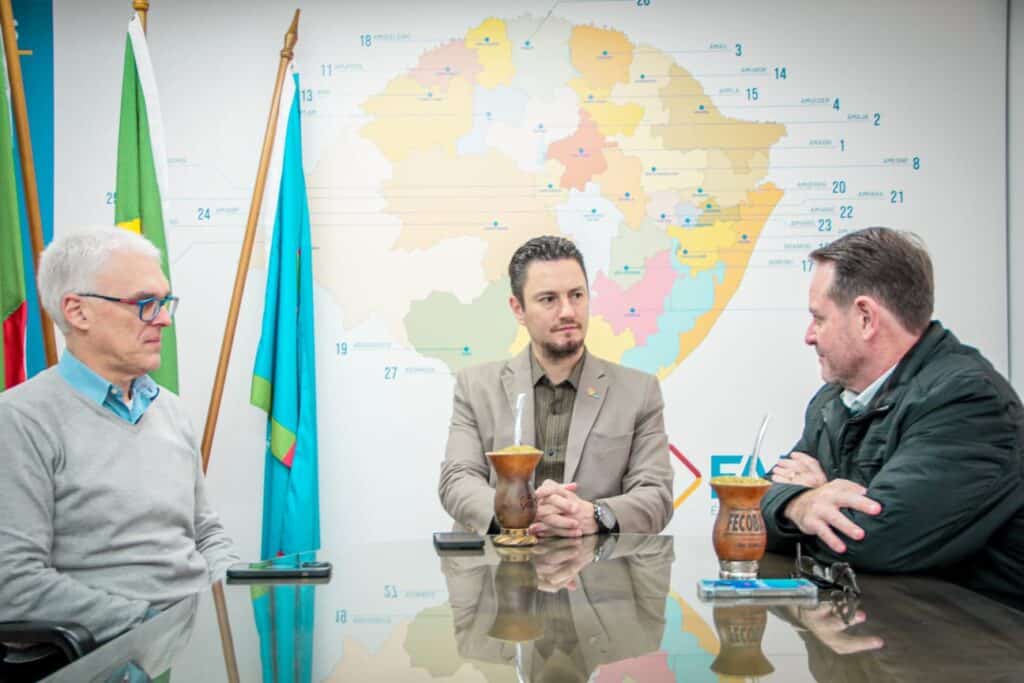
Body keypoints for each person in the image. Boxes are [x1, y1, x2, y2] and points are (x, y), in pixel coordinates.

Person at [762, 227, 1024, 606]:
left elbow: (870, 543)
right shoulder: (832, 402)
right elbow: (750, 510)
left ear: (866, 318)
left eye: (819, 318)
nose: (809, 335)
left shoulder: (968, 400)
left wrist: (813, 497)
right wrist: (801, 504)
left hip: (969, 649)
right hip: (882, 639)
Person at [0, 227, 238, 643]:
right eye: (145, 304)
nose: (163, 318)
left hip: (192, 641)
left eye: (164, 302)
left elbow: (207, 534)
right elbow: (13, 584)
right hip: (109, 653)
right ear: (77, 312)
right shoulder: (20, 420)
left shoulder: (171, 409)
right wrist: (151, 624)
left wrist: (229, 603)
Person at [439, 235, 673, 537]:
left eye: (576, 295)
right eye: (548, 299)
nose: (567, 311)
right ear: (518, 309)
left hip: (597, 575)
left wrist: (595, 515)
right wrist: (519, 515)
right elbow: (458, 480)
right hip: (499, 572)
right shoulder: (476, 387)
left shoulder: (639, 392)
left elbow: (655, 493)